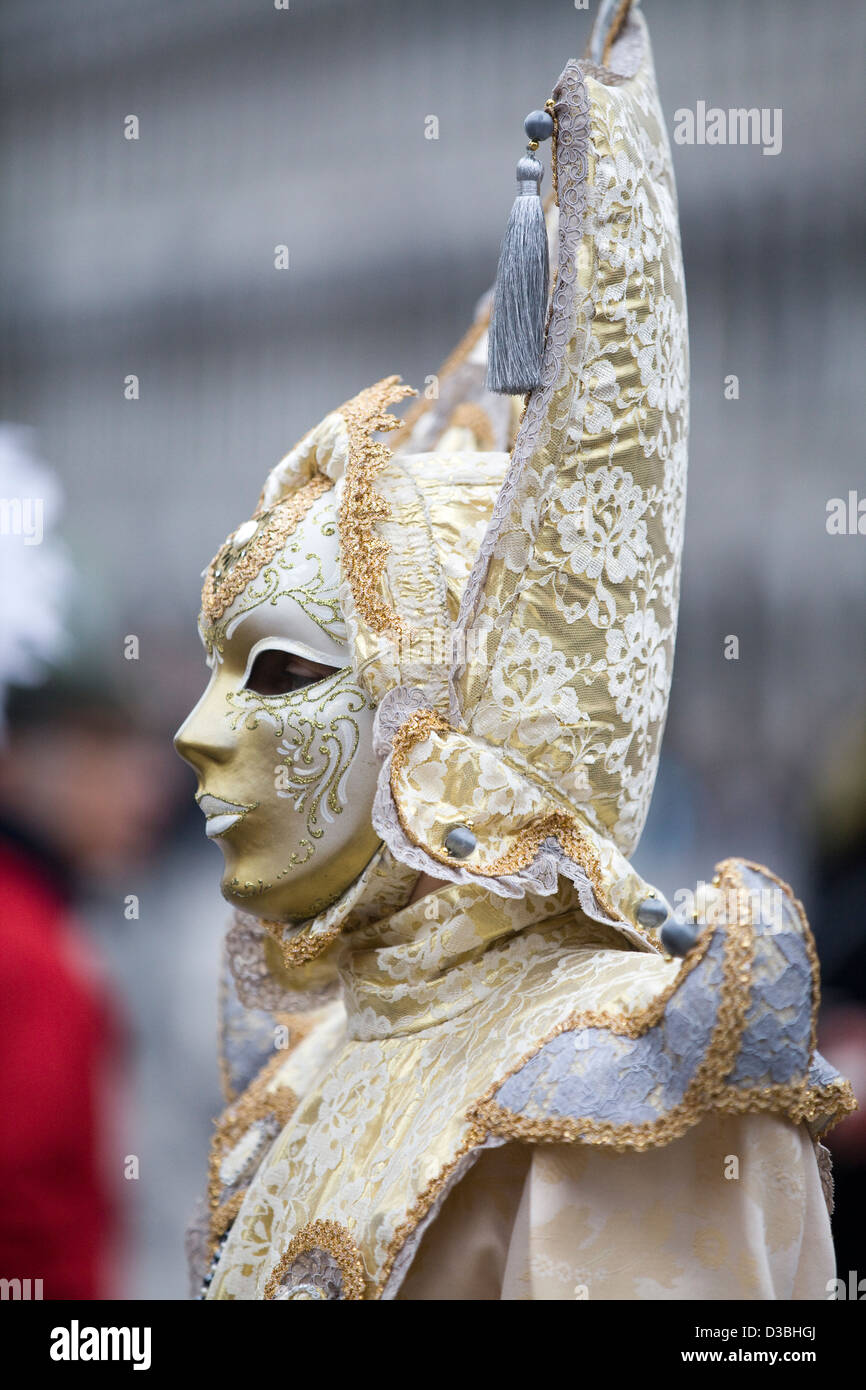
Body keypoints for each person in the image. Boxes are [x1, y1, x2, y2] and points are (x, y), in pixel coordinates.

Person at [175, 0, 853, 1300]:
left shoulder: (618, 1086)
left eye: (275, 670)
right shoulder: (312, 1058)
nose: (195, 733)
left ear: (448, 726)